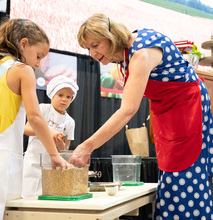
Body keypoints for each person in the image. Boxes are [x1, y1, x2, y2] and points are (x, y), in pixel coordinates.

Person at [69, 13, 213, 219]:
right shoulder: (126, 54)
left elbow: (128, 110)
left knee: (184, 172)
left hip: (187, 109)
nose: (92, 53)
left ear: (111, 36)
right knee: (169, 172)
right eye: (88, 48)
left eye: (96, 45)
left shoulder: (141, 54)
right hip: (167, 112)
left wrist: (86, 146)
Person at [0, 18, 69, 220]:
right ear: (24, 44)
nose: (38, 63)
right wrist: (54, 154)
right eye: (38, 56)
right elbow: (34, 116)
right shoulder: (22, 70)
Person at [22, 75, 79, 198]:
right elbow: (26, 129)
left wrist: (59, 144)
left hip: (52, 166)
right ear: (52, 95)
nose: (64, 99)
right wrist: (49, 131)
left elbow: (64, 150)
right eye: (60, 95)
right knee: (29, 196)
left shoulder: (70, 122)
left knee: (48, 197)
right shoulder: (42, 109)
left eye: (68, 97)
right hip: (33, 161)